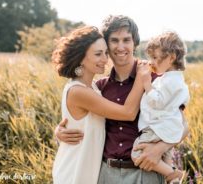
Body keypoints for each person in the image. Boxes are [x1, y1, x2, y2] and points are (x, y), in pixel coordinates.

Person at [55, 15, 183, 184]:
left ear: (134, 43)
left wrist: (159, 149)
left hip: (145, 173)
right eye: (114, 40)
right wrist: (59, 132)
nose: (121, 47)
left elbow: (183, 125)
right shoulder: (98, 88)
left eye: (126, 40)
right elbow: (81, 119)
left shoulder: (155, 80)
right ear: (106, 44)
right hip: (105, 174)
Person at [51, 25, 146, 184]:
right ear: (81, 58)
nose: (105, 59)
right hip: (75, 169)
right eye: (98, 54)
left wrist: (58, 131)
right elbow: (128, 113)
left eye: (105, 53)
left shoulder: (95, 87)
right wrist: (141, 77)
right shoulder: (78, 91)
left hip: (91, 169)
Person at [131, 31, 190, 183]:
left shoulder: (169, 81)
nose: (152, 62)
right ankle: (171, 177)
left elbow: (157, 102)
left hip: (157, 128)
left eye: (156, 58)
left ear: (171, 57)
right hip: (167, 128)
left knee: (137, 154)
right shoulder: (175, 80)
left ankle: (173, 174)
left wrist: (146, 82)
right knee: (166, 157)